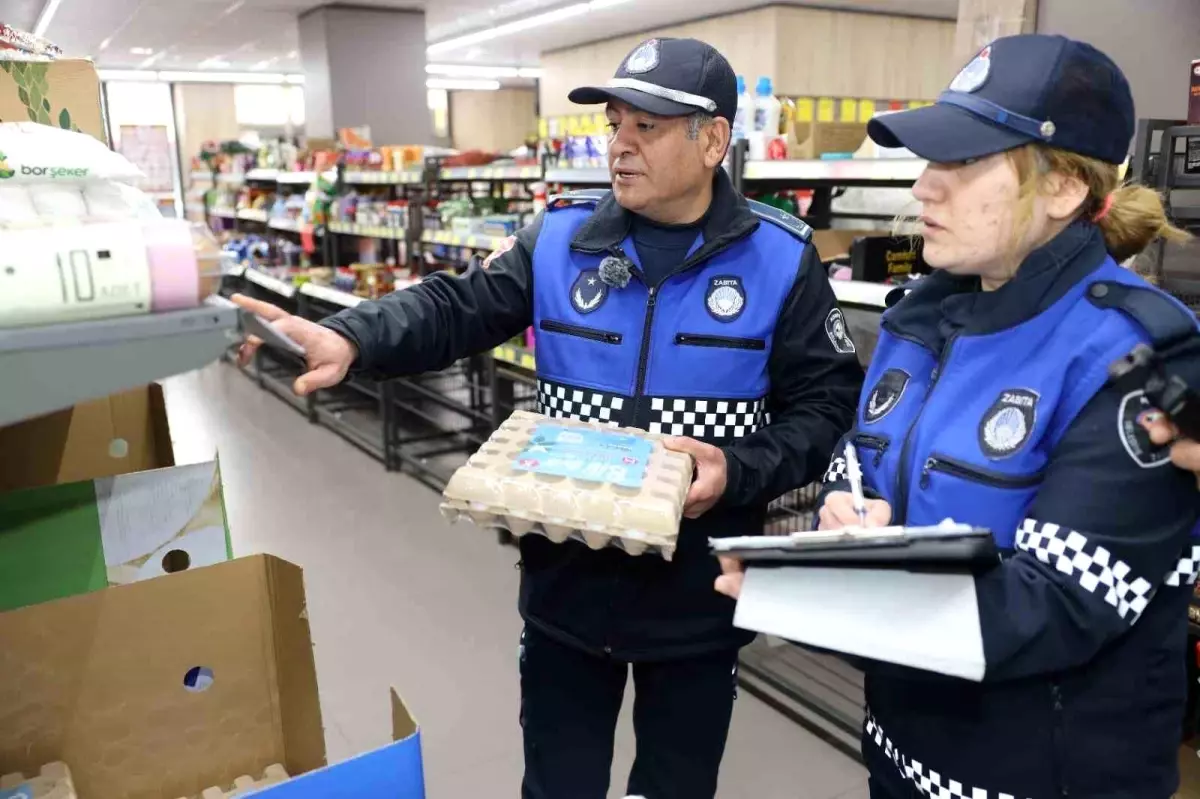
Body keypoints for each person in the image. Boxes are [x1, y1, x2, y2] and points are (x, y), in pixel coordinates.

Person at [233, 37, 862, 799]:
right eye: (615, 123)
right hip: (568, 587)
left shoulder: (779, 258)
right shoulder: (559, 240)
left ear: (713, 141)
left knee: (678, 784)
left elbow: (826, 405)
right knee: (557, 784)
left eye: (648, 127)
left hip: (697, 601)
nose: (619, 146)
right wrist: (354, 335)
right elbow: (457, 307)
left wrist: (742, 469)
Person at [716, 34, 1199, 798]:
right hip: (898, 754)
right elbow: (859, 456)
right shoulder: (922, 318)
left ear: (1066, 187)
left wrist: (817, 593)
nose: (925, 189)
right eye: (930, 161)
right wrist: (845, 514)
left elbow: (1063, 603)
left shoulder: (1138, 354)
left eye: (963, 163)